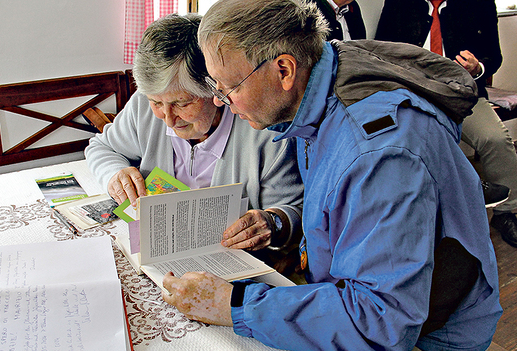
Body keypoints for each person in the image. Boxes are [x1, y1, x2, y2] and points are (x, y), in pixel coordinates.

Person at [161, 0, 503, 350]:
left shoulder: (376, 153)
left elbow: (380, 322)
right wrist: (280, 224)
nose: (221, 102)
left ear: (283, 70)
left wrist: (232, 305)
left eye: (228, 88)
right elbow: (338, 206)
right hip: (360, 299)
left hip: (430, 333)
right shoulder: (323, 78)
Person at [84, 13, 304, 270]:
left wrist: (273, 222)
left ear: (216, 90)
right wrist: (114, 174)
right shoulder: (143, 109)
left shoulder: (264, 132)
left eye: (182, 103)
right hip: (156, 260)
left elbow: (297, 212)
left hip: (231, 269)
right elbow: (102, 147)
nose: (167, 119)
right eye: (157, 102)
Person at [375, 0, 517, 248]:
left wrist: (477, 68)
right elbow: (379, 51)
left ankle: (507, 212)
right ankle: (413, 221)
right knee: (403, 139)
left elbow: (493, 56)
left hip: (461, 94)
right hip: (411, 95)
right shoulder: (399, 4)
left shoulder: (479, 4)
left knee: (495, 139)